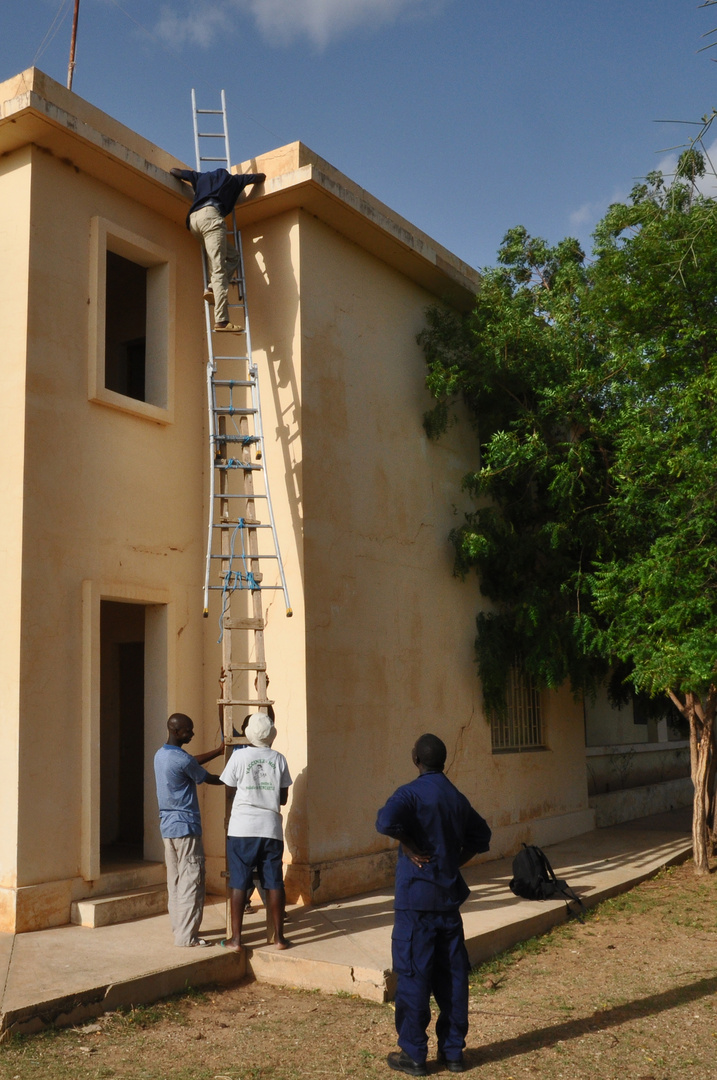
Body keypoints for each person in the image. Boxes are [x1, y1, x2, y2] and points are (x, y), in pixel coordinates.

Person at [376, 734, 492, 1076]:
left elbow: (384, 822)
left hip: (416, 902)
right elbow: (481, 837)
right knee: (452, 977)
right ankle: (452, 1053)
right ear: (443, 761)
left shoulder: (409, 793)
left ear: (416, 758)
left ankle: (413, 1054)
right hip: (447, 902)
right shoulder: (456, 797)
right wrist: (454, 862)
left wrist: (409, 844)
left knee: (413, 977)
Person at [219, 712, 292, 952]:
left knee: (239, 881)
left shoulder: (239, 757)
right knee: (274, 883)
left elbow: (228, 792)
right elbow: (282, 799)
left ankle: (236, 939)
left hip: (242, 828)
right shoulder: (279, 759)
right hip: (270, 827)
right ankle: (279, 938)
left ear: (249, 733)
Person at [153, 713, 225, 947]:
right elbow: (208, 777)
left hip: (168, 829)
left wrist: (218, 751)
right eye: (187, 731)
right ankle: (187, 937)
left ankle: (180, 930)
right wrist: (234, 777)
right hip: (186, 829)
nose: (191, 734)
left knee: (175, 882)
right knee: (192, 881)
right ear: (175, 731)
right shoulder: (182, 761)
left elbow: (190, 761)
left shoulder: (161, 755)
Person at [169, 165, 266, 332]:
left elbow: (175, 172)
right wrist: (242, 180)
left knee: (233, 256)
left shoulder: (201, 177)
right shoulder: (234, 180)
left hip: (194, 221)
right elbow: (261, 177)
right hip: (212, 217)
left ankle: (213, 287)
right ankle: (221, 320)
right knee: (219, 269)